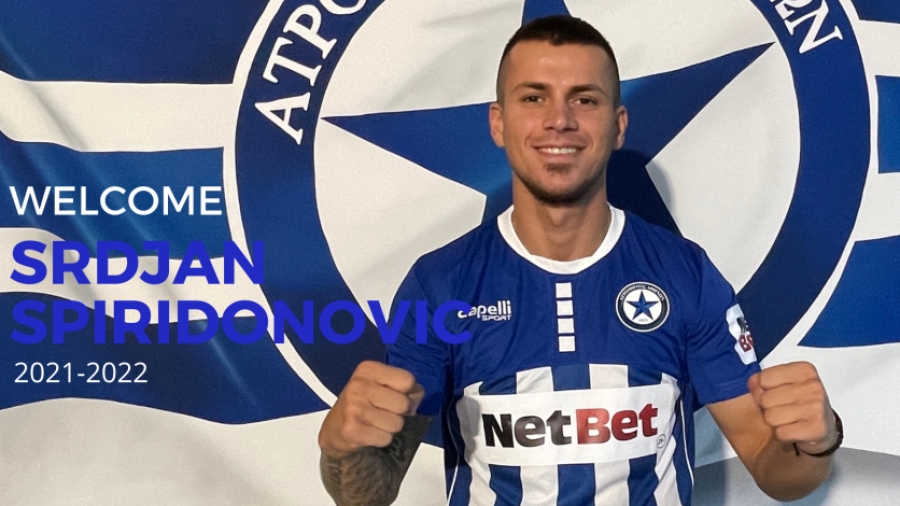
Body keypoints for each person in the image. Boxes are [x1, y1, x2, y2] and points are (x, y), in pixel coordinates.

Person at [318, 15, 841, 506]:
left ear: (618, 124)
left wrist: (818, 441)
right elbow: (369, 492)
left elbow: (776, 472)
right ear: (499, 123)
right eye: (533, 98)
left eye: (584, 99)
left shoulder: (686, 274)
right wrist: (342, 448)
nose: (559, 120)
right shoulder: (440, 285)